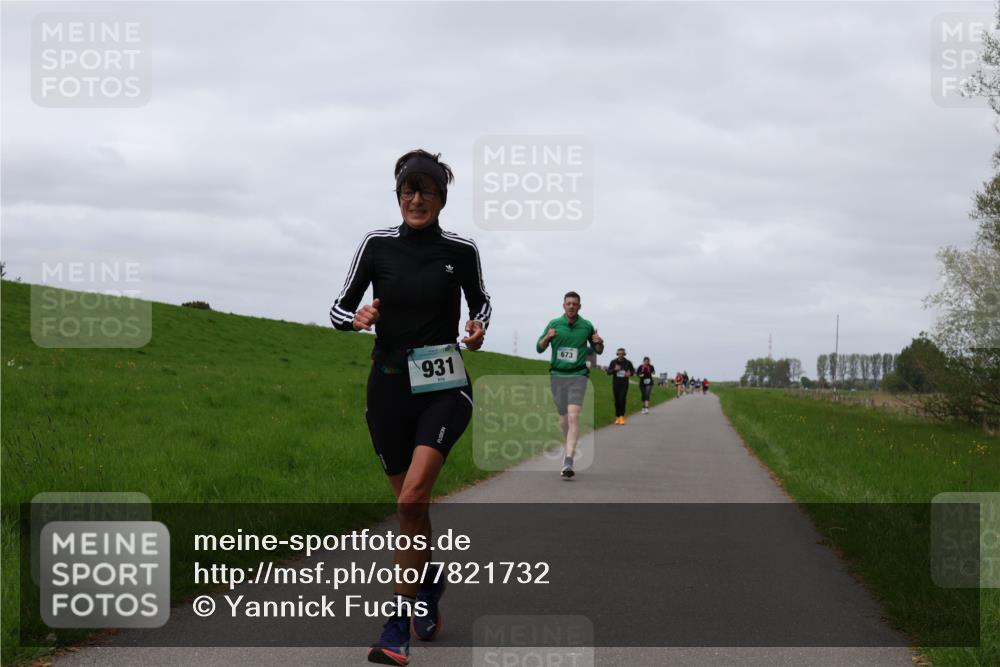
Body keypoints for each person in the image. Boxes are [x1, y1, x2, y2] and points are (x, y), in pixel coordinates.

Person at [329, 149, 491, 666]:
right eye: (407, 190)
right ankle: (430, 581)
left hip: (444, 387)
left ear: (442, 198)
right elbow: (337, 308)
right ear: (398, 196)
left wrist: (478, 327)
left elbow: (480, 300)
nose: (416, 199)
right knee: (412, 509)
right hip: (389, 388)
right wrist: (357, 318)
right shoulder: (377, 246)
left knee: (412, 498)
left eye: (426, 190)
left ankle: (395, 627)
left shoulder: (460, 250)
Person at [537, 291, 604, 479]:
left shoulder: (586, 326)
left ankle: (568, 461)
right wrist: (547, 337)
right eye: (568, 303)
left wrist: (599, 342)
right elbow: (539, 348)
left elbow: (598, 349)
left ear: (579, 306)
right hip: (557, 375)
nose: (572, 306)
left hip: (578, 375)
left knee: (574, 416)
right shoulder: (554, 324)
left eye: (575, 303)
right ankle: (569, 442)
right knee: (564, 420)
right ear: (563, 305)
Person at [606, 348, 635, 424]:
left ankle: (622, 417)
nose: (621, 355)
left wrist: (630, 374)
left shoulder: (628, 363)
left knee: (622, 399)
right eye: (619, 353)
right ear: (617, 354)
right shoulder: (613, 362)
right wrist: (615, 370)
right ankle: (617, 417)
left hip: (624, 384)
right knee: (617, 401)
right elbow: (608, 372)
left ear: (624, 354)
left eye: (622, 354)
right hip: (616, 384)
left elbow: (633, 371)